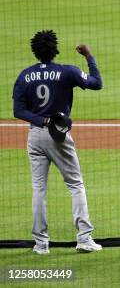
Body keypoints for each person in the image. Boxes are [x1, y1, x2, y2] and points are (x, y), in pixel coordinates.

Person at [12, 30, 103, 254]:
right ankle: (84, 238)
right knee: (75, 184)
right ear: (55, 49)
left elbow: (18, 110)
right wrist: (89, 56)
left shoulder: (25, 75)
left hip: (34, 135)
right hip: (58, 135)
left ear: (35, 51)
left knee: (39, 189)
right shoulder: (67, 72)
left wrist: (40, 119)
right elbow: (96, 83)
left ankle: (41, 244)